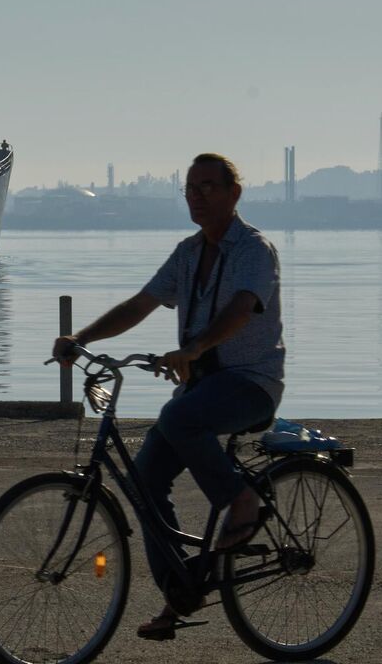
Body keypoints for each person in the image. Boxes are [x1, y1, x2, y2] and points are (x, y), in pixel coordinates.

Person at [51, 152, 283, 638]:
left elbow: (242, 308)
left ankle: (240, 501)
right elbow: (141, 303)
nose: (197, 197)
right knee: (142, 480)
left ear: (233, 193)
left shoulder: (254, 250)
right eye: (190, 189)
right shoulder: (187, 253)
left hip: (251, 383)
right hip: (203, 387)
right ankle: (181, 591)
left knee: (178, 420)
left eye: (208, 187)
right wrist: (82, 339)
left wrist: (194, 346)